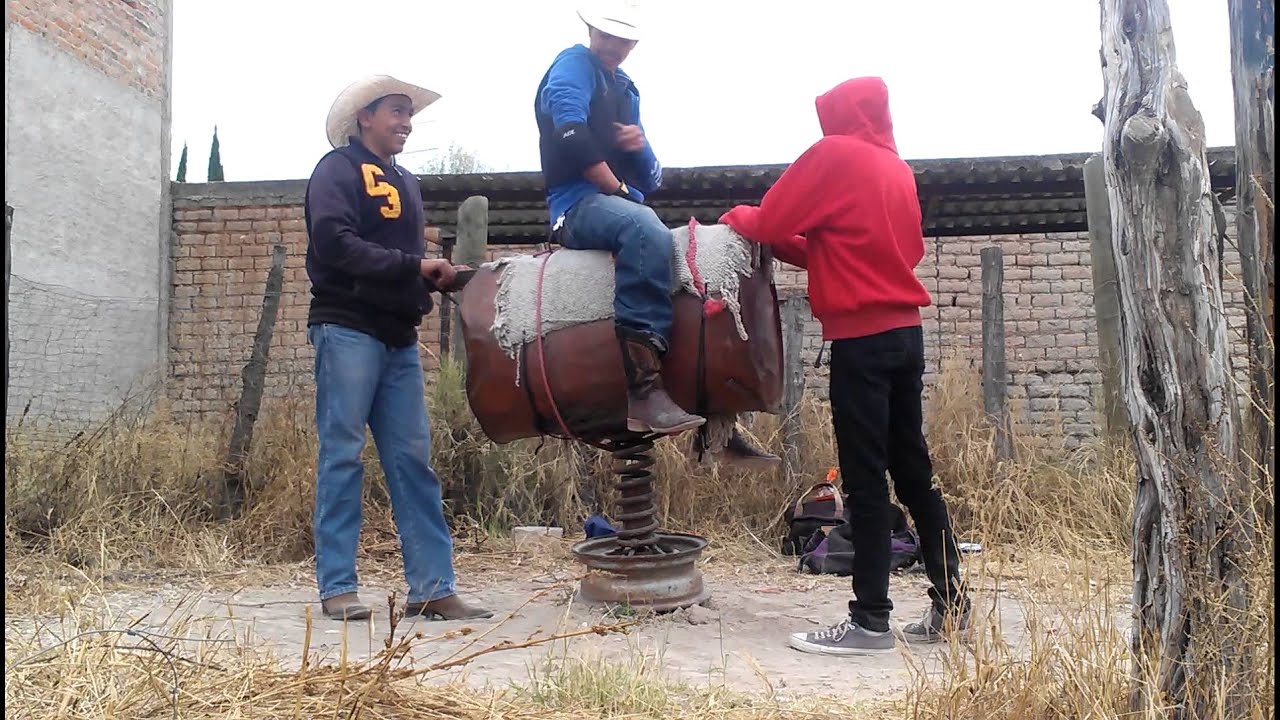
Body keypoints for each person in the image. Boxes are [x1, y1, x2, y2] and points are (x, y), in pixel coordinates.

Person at [721, 77, 972, 655]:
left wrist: (736, 217)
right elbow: (868, 249)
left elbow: (769, 221)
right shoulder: (896, 170)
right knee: (914, 472)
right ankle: (951, 605)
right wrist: (789, 244)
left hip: (861, 341)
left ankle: (870, 621)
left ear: (838, 115)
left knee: (864, 477)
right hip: (906, 335)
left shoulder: (833, 154)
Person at [533, 2, 778, 464]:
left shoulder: (626, 88)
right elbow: (569, 132)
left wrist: (640, 150)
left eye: (624, 40)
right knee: (646, 231)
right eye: (607, 37)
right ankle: (643, 391)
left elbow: (653, 178)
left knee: (693, 255)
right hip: (576, 206)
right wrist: (617, 185)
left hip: (619, 202)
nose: (615, 48)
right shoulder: (571, 66)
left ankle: (714, 417)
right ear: (590, 31)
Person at [304, 75, 493, 622]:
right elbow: (336, 245)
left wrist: (435, 278)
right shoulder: (334, 170)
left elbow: (398, 258)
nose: (406, 122)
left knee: (413, 460)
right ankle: (337, 586)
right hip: (347, 329)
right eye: (396, 111)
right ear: (365, 116)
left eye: (409, 114)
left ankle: (433, 588)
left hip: (397, 336)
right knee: (342, 455)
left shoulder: (407, 183)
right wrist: (415, 266)